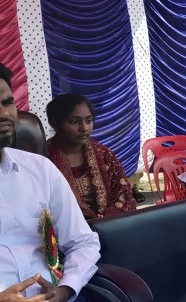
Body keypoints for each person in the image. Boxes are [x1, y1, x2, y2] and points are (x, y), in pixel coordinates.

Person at [0, 63, 101, 301]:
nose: (4, 114)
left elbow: (82, 242)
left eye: (7, 103)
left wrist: (65, 290)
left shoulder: (40, 169)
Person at [45, 94, 137, 220]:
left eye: (88, 121)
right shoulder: (43, 159)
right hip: (64, 227)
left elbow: (124, 195)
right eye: (74, 122)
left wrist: (102, 222)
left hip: (107, 225)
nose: (84, 128)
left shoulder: (104, 154)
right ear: (54, 123)